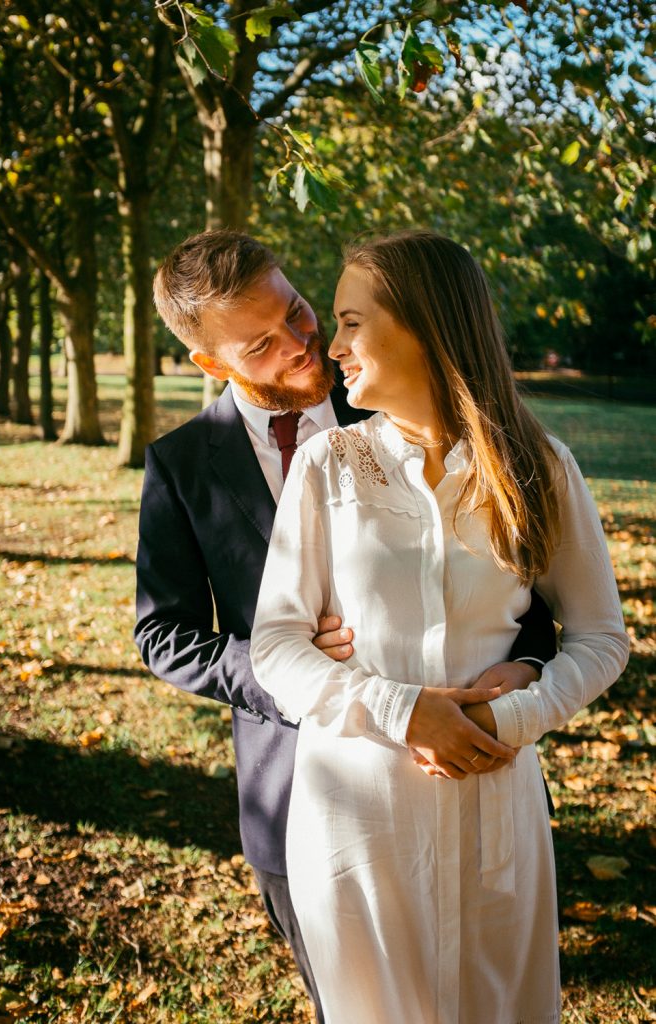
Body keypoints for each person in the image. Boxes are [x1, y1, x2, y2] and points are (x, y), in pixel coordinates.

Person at [135, 230, 558, 1022]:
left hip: (467, 776)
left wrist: (527, 667)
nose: (305, 346)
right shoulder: (183, 464)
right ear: (212, 365)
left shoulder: (393, 406)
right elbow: (163, 634)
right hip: (299, 779)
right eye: (263, 343)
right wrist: (292, 664)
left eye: (298, 312)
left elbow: (518, 585)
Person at [250, 230, 629, 1024]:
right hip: (357, 813)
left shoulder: (540, 464)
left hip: (497, 806)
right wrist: (401, 710)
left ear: (425, 323)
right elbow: (277, 646)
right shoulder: (326, 467)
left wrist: (514, 713)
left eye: (353, 322)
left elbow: (600, 636)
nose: (335, 346)